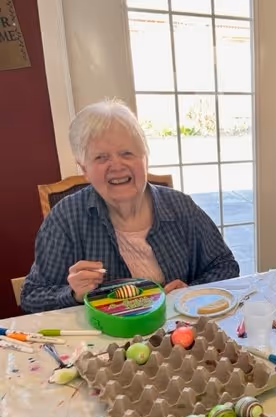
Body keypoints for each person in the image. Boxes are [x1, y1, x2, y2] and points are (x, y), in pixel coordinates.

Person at [21, 99, 240, 313]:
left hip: (177, 336)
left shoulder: (181, 207)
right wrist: (73, 293)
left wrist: (189, 292)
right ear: (84, 169)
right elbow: (31, 296)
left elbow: (225, 265)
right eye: (101, 157)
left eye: (127, 153)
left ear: (145, 158)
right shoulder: (65, 218)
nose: (116, 165)